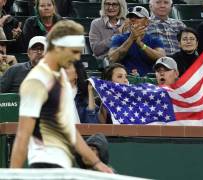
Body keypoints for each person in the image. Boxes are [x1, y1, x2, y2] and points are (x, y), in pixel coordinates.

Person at [9, 20, 113, 173]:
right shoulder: (36, 81)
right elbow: (23, 135)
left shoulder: (61, 79)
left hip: (64, 165)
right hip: (44, 166)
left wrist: (97, 163)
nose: (78, 57)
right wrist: (13, 175)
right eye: (74, 51)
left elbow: (69, 129)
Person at [108, 6, 165, 76]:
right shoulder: (119, 38)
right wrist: (131, 38)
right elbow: (112, 58)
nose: (133, 20)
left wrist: (141, 44)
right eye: (130, 17)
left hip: (149, 82)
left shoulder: (154, 39)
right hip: (125, 81)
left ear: (147, 22)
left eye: (138, 17)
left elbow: (162, 58)